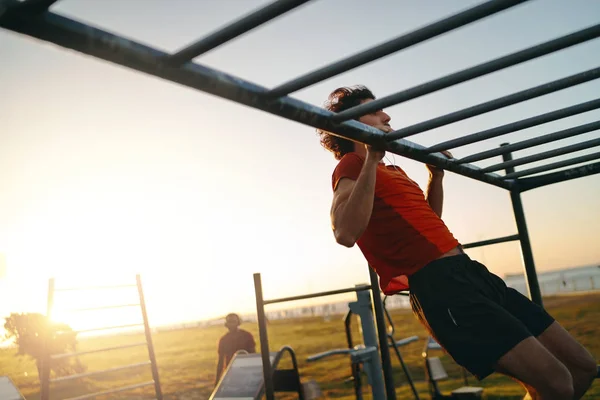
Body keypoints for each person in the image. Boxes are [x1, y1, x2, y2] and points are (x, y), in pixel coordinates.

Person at [318, 85, 597, 399]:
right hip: (442, 287)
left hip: (471, 272)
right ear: (350, 125)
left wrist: (435, 178)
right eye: (374, 110)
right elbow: (344, 233)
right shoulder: (351, 166)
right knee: (556, 381)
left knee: (582, 367)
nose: (387, 114)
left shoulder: (392, 170)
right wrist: (370, 160)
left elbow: (428, 222)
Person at [214, 313, 256, 385]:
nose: (231, 324)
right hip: (231, 372)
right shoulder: (223, 340)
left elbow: (253, 355)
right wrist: (217, 380)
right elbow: (220, 361)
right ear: (226, 324)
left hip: (246, 370)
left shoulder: (247, 335)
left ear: (238, 323)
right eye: (229, 322)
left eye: (233, 321)